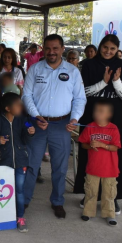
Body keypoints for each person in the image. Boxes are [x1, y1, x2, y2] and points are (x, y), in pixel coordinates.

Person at [22, 34, 86, 219]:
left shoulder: (73, 72)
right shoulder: (35, 69)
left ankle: (57, 201)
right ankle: (25, 199)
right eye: (48, 48)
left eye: (55, 48)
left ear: (62, 48)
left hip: (62, 125)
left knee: (60, 167)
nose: (51, 52)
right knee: (32, 165)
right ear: (44, 49)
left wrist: (74, 118)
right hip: (38, 124)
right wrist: (36, 115)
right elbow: (27, 96)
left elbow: (80, 98)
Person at [74, 34, 122, 214]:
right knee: (89, 153)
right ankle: (90, 194)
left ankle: (112, 197)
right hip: (92, 116)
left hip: (113, 119)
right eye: (105, 47)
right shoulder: (89, 64)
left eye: (112, 49)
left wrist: (116, 82)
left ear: (117, 50)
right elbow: (84, 93)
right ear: (100, 47)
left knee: (113, 156)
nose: (108, 51)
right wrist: (103, 83)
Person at [0, 93, 35, 233]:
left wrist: (30, 132)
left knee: (19, 190)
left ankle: (20, 217)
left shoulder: (23, 119)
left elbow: (28, 135)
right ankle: (3, 216)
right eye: (17, 105)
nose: (21, 107)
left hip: (21, 161)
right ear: (8, 108)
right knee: (2, 191)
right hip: (4, 161)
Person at [78, 99, 121, 226]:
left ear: (109, 114)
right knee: (91, 191)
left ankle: (109, 214)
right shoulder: (90, 126)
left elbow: (116, 147)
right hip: (93, 167)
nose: (97, 114)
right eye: (96, 111)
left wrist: (103, 145)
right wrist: (90, 146)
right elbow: (83, 144)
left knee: (109, 192)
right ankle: (88, 212)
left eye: (101, 111)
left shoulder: (113, 129)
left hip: (110, 168)